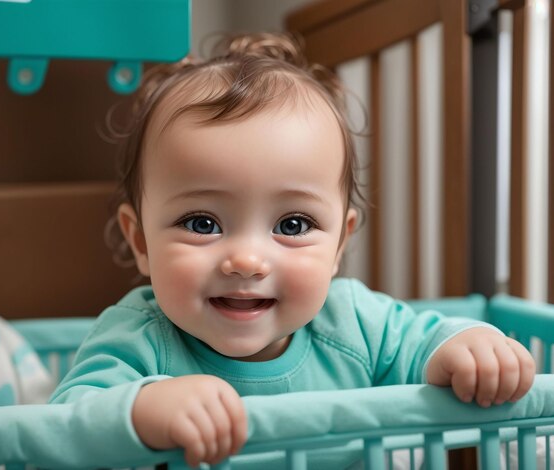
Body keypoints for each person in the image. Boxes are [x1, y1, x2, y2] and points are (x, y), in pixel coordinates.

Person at [49, 33, 536, 468]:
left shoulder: (352, 323)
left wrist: (469, 345)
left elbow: (426, 341)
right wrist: (144, 407)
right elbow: (63, 423)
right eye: (203, 223)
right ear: (141, 242)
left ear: (340, 242)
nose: (246, 260)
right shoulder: (139, 338)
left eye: (292, 224)